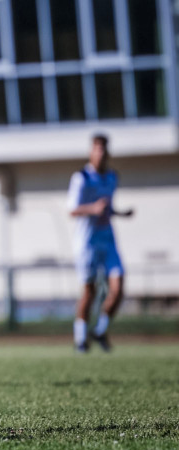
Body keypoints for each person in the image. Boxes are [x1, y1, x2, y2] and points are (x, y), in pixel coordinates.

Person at [67, 133, 134, 352]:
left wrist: (120, 213)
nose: (100, 153)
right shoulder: (81, 178)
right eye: (97, 148)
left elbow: (107, 208)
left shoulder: (112, 177)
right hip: (87, 242)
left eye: (103, 149)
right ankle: (80, 339)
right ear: (91, 151)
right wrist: (93, 209)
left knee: (119, 286)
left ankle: (100, 330)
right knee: (90, 291)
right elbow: (73, 210)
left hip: (108, 239)